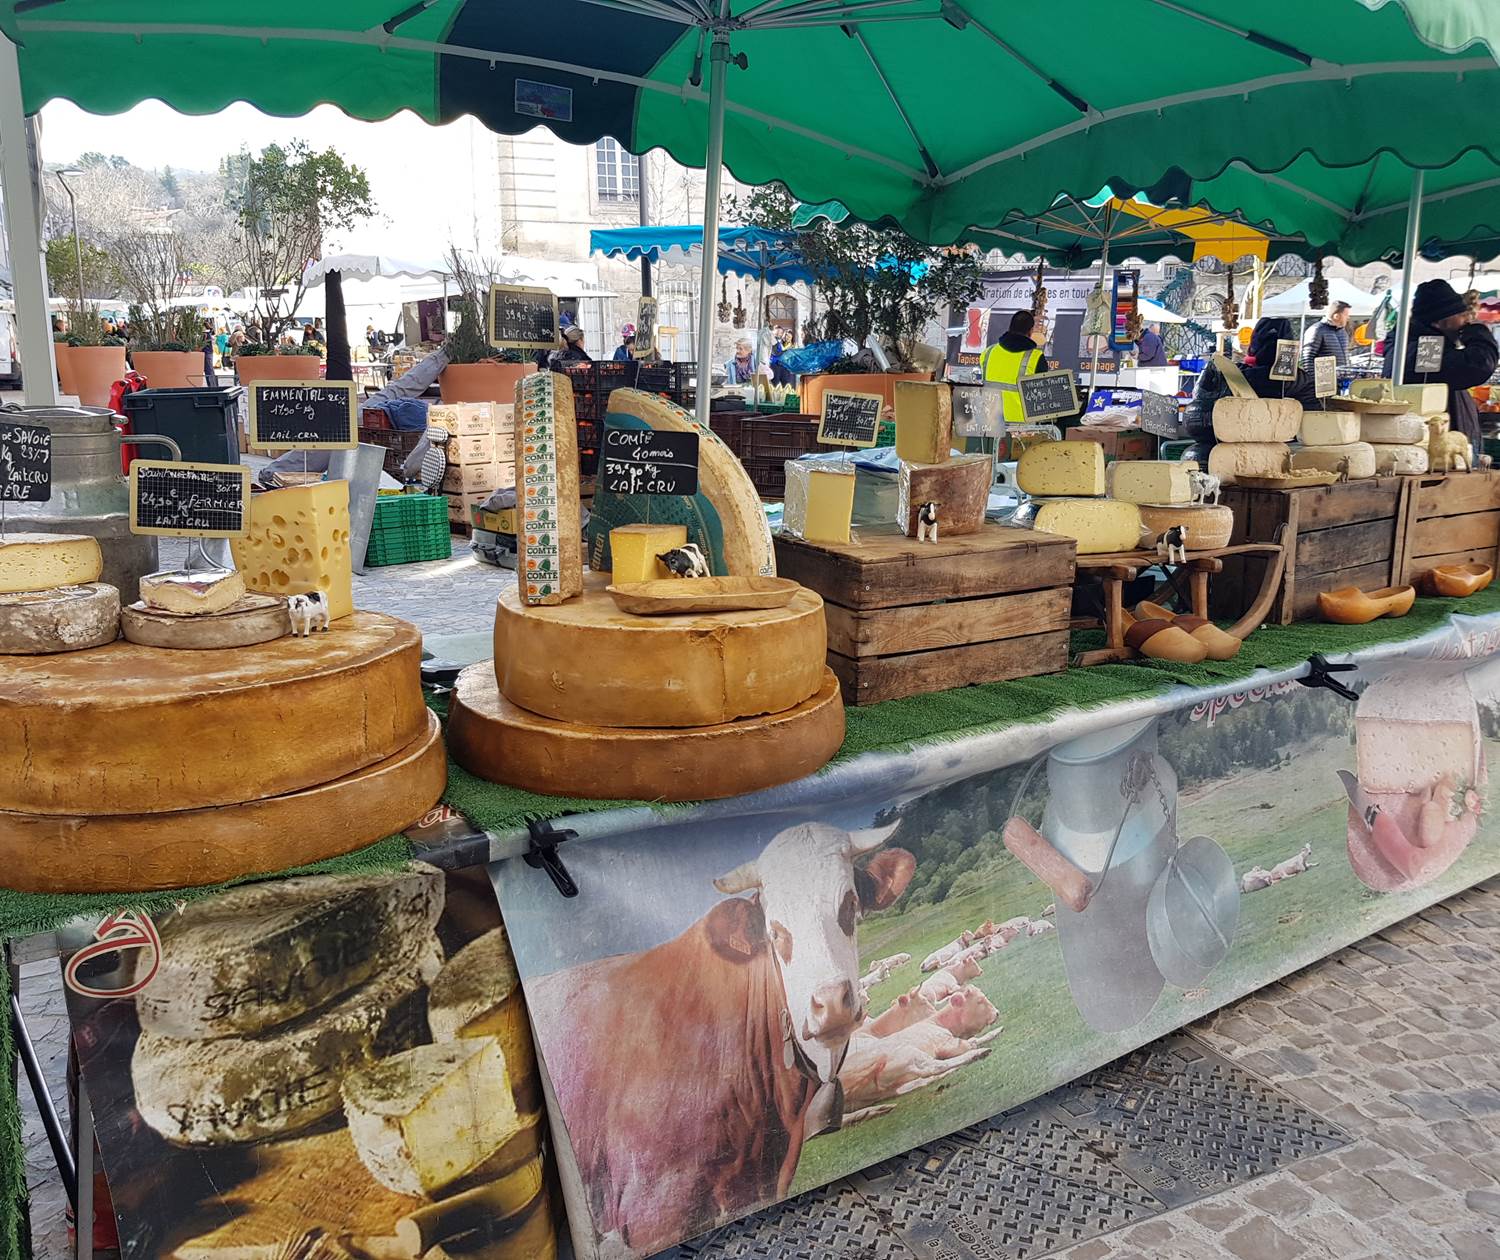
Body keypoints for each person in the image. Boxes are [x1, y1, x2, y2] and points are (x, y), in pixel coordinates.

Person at [1384, 279, 1498, 463]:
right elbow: (1479, 364)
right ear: (1439, 321)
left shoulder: (1415, 343)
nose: (1466, 320)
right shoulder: (1422, 349)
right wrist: (1476, 332)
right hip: (1430, 453)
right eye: (1461, 315)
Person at [1184, 316, 1322, 458]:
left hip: (1256, 452)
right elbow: (1317, 423)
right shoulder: (1302, 380)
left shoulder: (1238, 374)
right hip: (1288, 451)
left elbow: (1198, 416)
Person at [980, 310, 1048, 423]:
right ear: (1031, 331)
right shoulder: (1036, 358)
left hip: (989, 422)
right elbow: (1043, 394)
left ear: (1010, 327)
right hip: (1021, 427)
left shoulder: (988, 353)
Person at [1300, 300, 1352, 373]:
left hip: (1342, 379)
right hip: (1323, 380)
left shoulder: (1343, 332)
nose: (1348, 317)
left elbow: (1346, 357)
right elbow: (1307, 360)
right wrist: (1314, 380)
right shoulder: (1317, 330)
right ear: (1336, 316)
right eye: (1346, 315)